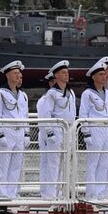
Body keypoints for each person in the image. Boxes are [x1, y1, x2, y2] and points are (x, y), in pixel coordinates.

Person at [79, 57, 108, 200]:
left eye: (104, 74)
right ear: (94, 77)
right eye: (101, 74)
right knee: (93, 163)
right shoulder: (87, 94)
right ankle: (91, 194)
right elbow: (83, 113)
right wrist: (86, 133)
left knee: (104, 163)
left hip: (106, 130)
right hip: (94, 129)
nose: (104, 76)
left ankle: (101, 194)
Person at [36, 60, 75, 201]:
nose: (66, 75)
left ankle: (60, 192)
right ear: (57, 75)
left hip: (68, 129)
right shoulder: (51, 94)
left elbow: (73, 112)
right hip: (57, 129)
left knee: (65, 163)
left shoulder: (70, 92)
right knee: (53, 163)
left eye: (67, 72)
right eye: (63, 73)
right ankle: (50, 194)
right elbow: (46, 114)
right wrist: (50, 132)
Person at [0, 60, 29, 201]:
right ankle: (2, 193)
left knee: (17, 165)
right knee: (3, 164)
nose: (18, 76)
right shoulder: (0, 94)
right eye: (15, 73)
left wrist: (27, 133)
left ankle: (13, 192)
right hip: (7, 130)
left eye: (19, 73)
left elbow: (25, 115)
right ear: (8, 75)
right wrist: (0, 134)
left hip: (19, 131)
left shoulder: (23, 95)